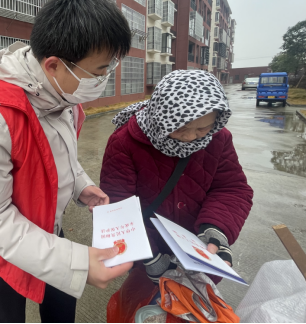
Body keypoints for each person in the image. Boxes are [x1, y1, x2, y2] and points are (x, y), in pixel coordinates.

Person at [0, 0, 134, 324]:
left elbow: (59, 156)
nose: (103, 80)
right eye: (98, 72)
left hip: (49, 230)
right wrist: (76, 263)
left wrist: (81, 185)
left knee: (61, 311)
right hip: (0, 247)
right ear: (53, 65)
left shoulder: (63, 96)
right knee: (7, 316)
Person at [100, 70, 254, 285]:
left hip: (198, 247)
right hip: (149, 249)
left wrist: (216, 229)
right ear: (162, 116)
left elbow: (231, 187)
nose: (190, 137)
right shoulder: (125, 141)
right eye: (181, 127)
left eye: (202, 128)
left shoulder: (219, 138)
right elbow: (117, 205)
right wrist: (149, 256)